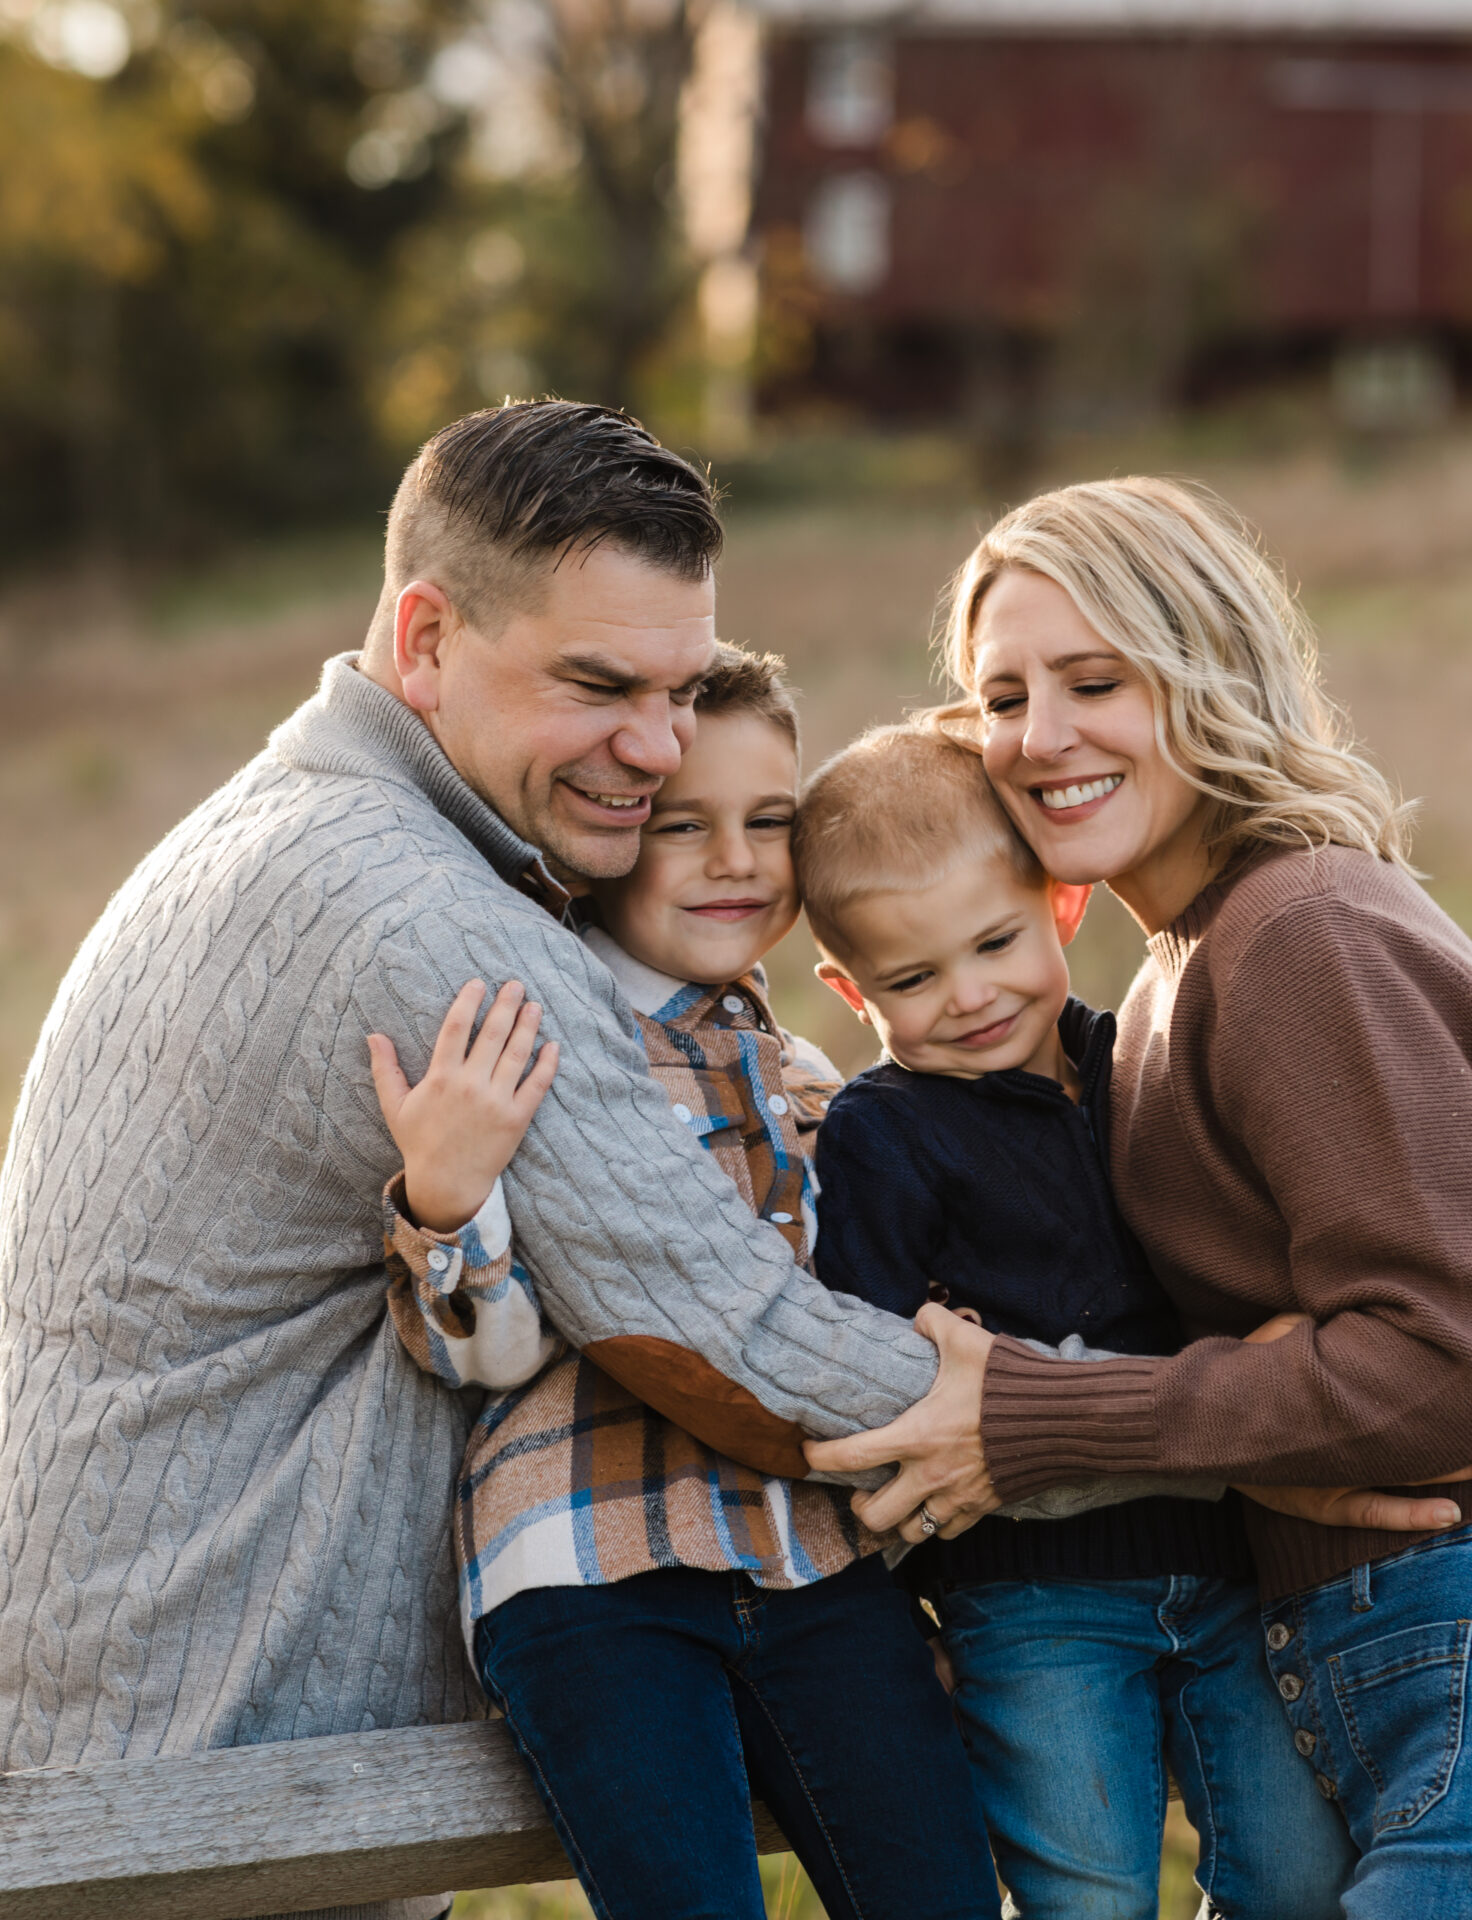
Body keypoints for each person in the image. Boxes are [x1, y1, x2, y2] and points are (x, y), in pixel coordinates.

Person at [0, 405, 956, 1920]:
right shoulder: (421, 919)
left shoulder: (300, 823)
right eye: (595, 686)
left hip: (103, 1774)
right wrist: (1093, 1423)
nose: (653, 750)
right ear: (426, 637)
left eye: (674, 689)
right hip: (164, 1815)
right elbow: (735, 1339)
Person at [809, 477, 1472, 1919]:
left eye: (1094, 679)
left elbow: (1461, 1364)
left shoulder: (1301, 929)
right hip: (1404, 1655)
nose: (1041, 737)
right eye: (1002, 696)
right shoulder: (1169, 980)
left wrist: (1033, 1421)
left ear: (1206, 673)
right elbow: (1299, 1371)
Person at [368, 649, 999, 1920]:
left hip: (812, 1560)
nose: (737, 861)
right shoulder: (544, 1038)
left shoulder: (805, 1068)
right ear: (605, 843)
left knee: (937, 1891)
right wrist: (444, 1198)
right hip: (595, 1566)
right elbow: (481, 1358)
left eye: (769, 822)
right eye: (681, 827)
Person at [794, 723, 1353, 1920]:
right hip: (1027, 1597)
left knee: (1299, 1873)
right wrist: (897, 1623)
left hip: (1233, 1567)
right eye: (911, 979)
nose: (968, 996)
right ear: (850, 992)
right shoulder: (879, 1137)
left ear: (1061, 906)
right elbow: (869, 1377)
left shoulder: (1143, 1060)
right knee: (1084, 1891)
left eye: (994, 942)